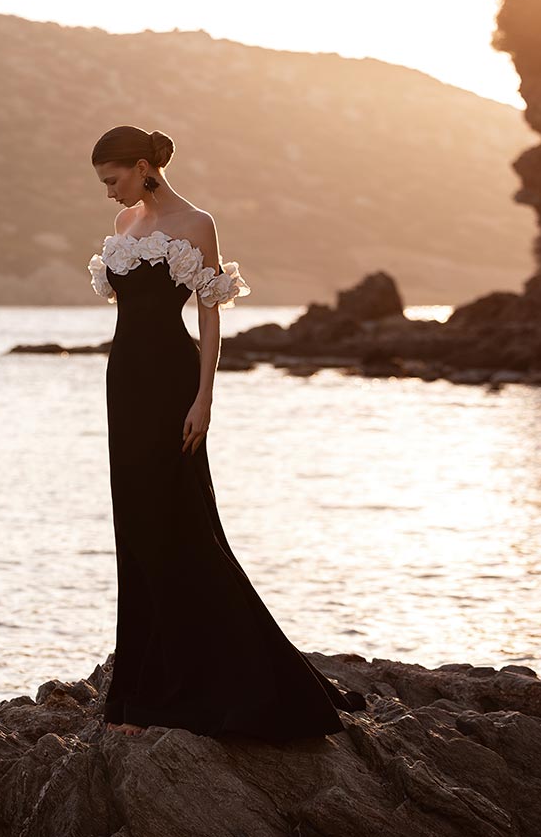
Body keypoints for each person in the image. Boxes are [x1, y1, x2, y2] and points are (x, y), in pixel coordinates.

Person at [88, 125, 366, 741]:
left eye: (114, 180)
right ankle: (140, 682)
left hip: (172, 384)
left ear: (141, 166)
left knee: (178, 522)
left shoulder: (197, 225)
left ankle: (215, 679)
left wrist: (204, 399)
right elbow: (130, 318)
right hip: (124, 382)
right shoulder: (121, 229)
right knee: (134, 525)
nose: (108, 194)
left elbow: (209, 320)